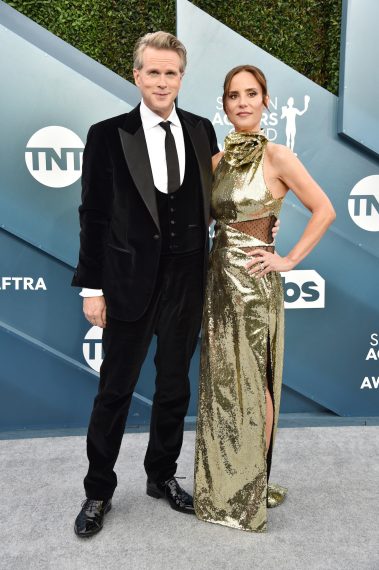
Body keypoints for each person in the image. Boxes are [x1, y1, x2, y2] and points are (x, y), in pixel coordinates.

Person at [71, 31, 220, 538]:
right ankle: (98, 491)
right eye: (152, 72)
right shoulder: (108, 134)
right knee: (114, 391)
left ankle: (162, 476)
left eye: (170, 72)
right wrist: (92, 288)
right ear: (136, 75)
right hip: (128, 282)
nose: (161, 81)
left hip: (187, 282)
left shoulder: (202, 131)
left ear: (181, 78)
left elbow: (217, 203)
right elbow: (92, 215)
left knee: (174, 388)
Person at [194, 65, 336, 532]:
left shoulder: (278, 156)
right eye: (233, 95)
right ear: (225, 103)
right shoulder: (213, 162)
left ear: (266, 100)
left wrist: (289, 258)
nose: (242, 102)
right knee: (222, 386)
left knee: (256, 384)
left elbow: (324, 209)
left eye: (251, 94)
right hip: (217, 283)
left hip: (255, 287)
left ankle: (252, 486)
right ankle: (221, 486)